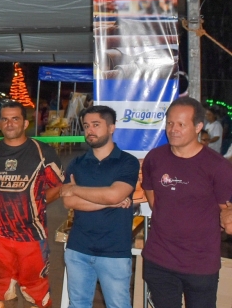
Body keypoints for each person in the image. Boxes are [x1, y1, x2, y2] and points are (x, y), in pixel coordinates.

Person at [0, 101, 64, 308]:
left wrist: (35, 202)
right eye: (5, 119)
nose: (9, 123)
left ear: (25, 123)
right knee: (0, 291)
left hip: (32, 235)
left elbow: (58, 186)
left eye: (15, 119)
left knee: (37, 293)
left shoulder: (43, 152)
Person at [141, 96, 232, 308]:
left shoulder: (217, 167)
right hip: (160, 260)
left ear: (198, 126)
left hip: (200, 264)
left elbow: (225, 212)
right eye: (170, 123)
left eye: (181, 124)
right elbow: (153, 198)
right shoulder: (155, 158)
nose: (173, 129)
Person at [60, 106, 139, 308]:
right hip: (78, 249)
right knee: (78, 305)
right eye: (86, 126)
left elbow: (114, 194)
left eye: (96, 125)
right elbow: (69, 201)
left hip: (114, 251)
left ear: (111, 127)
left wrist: (76, 189)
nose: (90, 131)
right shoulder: (76, 163)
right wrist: (110, 200)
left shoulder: (127, 162)